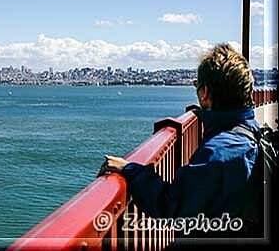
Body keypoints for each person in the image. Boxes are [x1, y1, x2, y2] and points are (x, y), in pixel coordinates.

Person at [103, 43, 263, 238]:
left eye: (197, 86)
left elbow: (172, 206)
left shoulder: (218, 153)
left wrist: (131, 171)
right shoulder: (250, 132)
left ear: (204, 93)